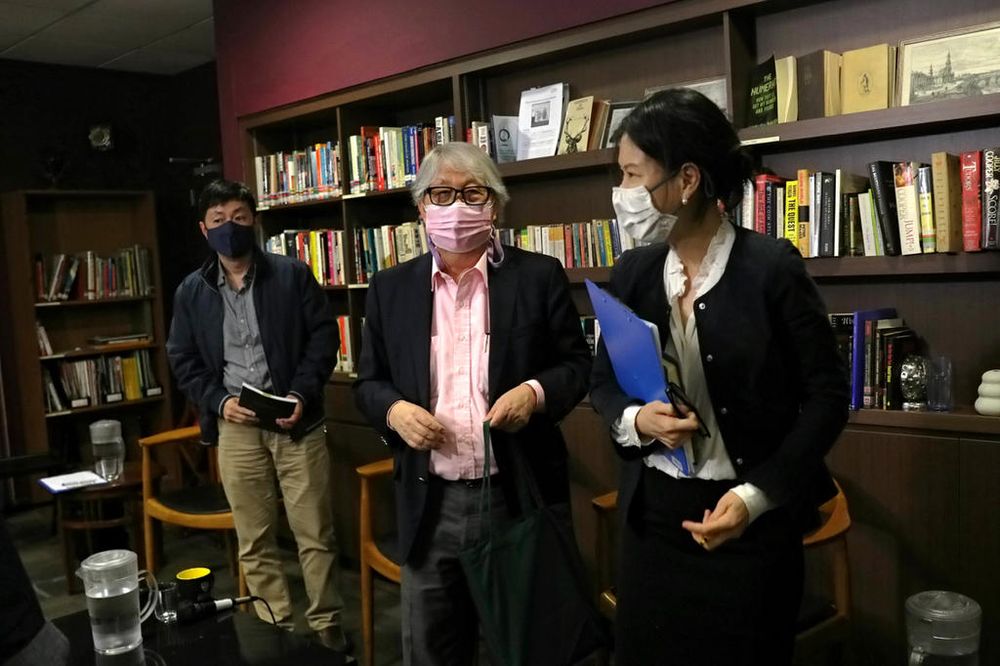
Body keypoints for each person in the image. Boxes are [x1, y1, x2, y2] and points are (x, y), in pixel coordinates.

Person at [589, 89, 849, 666]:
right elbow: (602, 382)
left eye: (632, 175)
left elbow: (827, 397)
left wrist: (755, 497)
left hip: (750, 527)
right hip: (653, 524)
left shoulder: (770, 267)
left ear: (687, 179)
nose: (622, 194)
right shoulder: (634, 270)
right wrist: (637, 419)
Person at [353, 142, 592, 665]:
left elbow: (576, 365)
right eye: (441, 194)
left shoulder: (538, 276)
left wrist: (534, 393)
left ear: (495, 207)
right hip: (428, 502)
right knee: (434, 650)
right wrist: (394, 411)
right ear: (422, 207)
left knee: (527, 646)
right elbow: (369, 382)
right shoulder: (391, 288)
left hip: (515, 495)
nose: (456, 206)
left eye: (472, 193)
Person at [166, 180, 349, 652]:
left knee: (315, 533)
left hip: (296, 422)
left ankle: (327, 628)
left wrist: (301, 393)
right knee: (254, 539)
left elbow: (323, 338)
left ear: (255, 221)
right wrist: (218, 402)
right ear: (204, 229)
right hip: (236, 427)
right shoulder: (192, 291)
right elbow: (183, 359)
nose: (230, 227)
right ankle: (275, 630)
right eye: (218, 220)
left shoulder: (292, 275)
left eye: (239, 217)